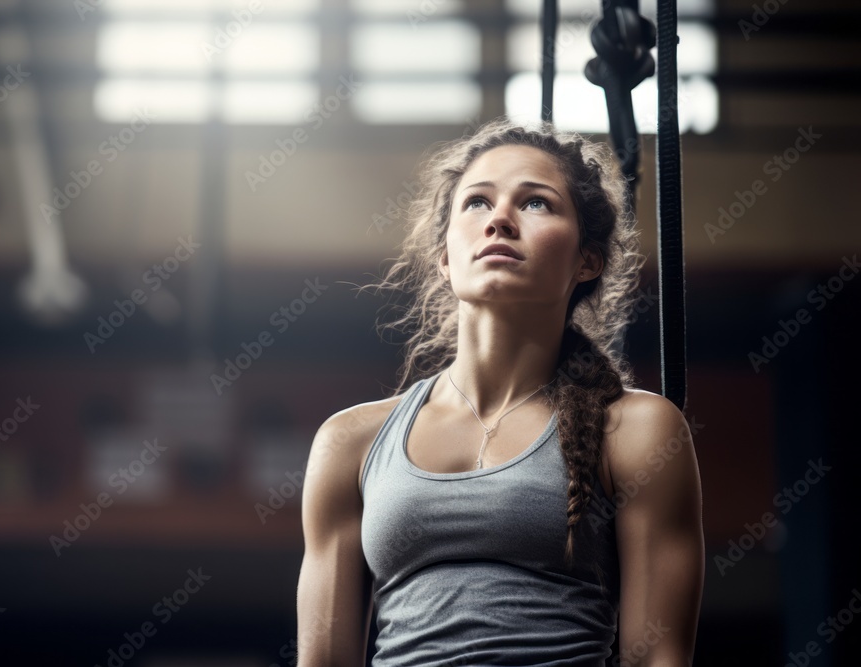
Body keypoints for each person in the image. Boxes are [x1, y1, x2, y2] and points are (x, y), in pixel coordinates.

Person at [295, 116, 704, 666]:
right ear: (444, 256)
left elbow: (657, 658)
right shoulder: (350, 442)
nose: (500, 221)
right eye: (477, 203)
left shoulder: (635, 431)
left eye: (536, 203)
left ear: (587, 260)